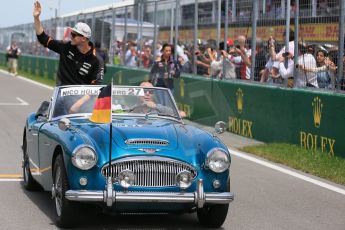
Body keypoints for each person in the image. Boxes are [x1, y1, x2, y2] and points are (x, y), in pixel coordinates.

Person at [33, 0, 104, 86]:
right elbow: (43, 38)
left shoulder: (96, 59)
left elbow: (95, 86)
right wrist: (36, 18)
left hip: (82, 97)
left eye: (74, 35)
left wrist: (80, 100)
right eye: (71, 33)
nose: (71, 36)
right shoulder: (66, 47)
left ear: (83, 38)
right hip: (61, 94)